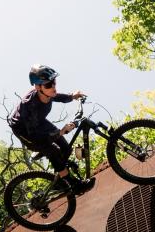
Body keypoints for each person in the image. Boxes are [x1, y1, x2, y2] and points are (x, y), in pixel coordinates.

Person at [9, 63, 92, 191]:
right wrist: (61, 131)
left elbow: (58, 96)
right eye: (48, 84)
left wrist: (72, 96)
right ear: (37, 87)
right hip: (25, 131)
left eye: (54, 82)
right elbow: (36, 135)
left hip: (39, 122)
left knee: (66, 148)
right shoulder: (30, 105)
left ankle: (58, 177)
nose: (53, 86)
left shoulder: (48, 93)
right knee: (53, 150)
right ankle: (72, 184)